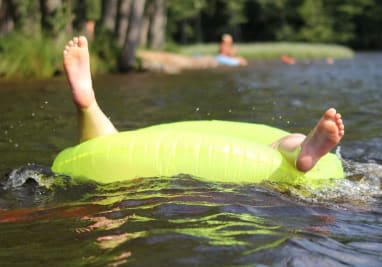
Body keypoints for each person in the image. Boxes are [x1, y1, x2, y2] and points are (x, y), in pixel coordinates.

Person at [63, 36, 344, 173]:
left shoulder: (226, 49)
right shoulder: (225, 51)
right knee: (279, 142)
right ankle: (303, 149)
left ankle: (88, 104)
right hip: (272, 173)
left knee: (110, 145)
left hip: (113, 167)